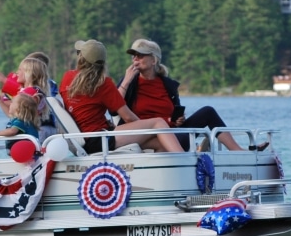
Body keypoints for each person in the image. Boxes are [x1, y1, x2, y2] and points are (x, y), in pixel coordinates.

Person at [118, 38, 267, 152]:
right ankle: (197, 150)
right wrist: (125, 81)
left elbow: (175, 114)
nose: (135, 59)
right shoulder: (129, 82)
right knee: (182, 138)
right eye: (133, 56)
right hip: (145, 134)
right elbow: (114, 109)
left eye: (140, 55)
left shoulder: (168, 85)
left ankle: (238, 151)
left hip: (172, 131)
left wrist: (178, 120)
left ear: (153, 60)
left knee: (208, 111)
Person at [59, 39, 184, 154]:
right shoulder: (103, 83)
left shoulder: (67, 77)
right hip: (100, 138)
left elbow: (84, 109)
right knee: (159, 122)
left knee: (160, 144)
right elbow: (128, 117)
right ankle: (186, 160)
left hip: (87, 139)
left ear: (81, 58)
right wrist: (146, 129)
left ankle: (154, 170)